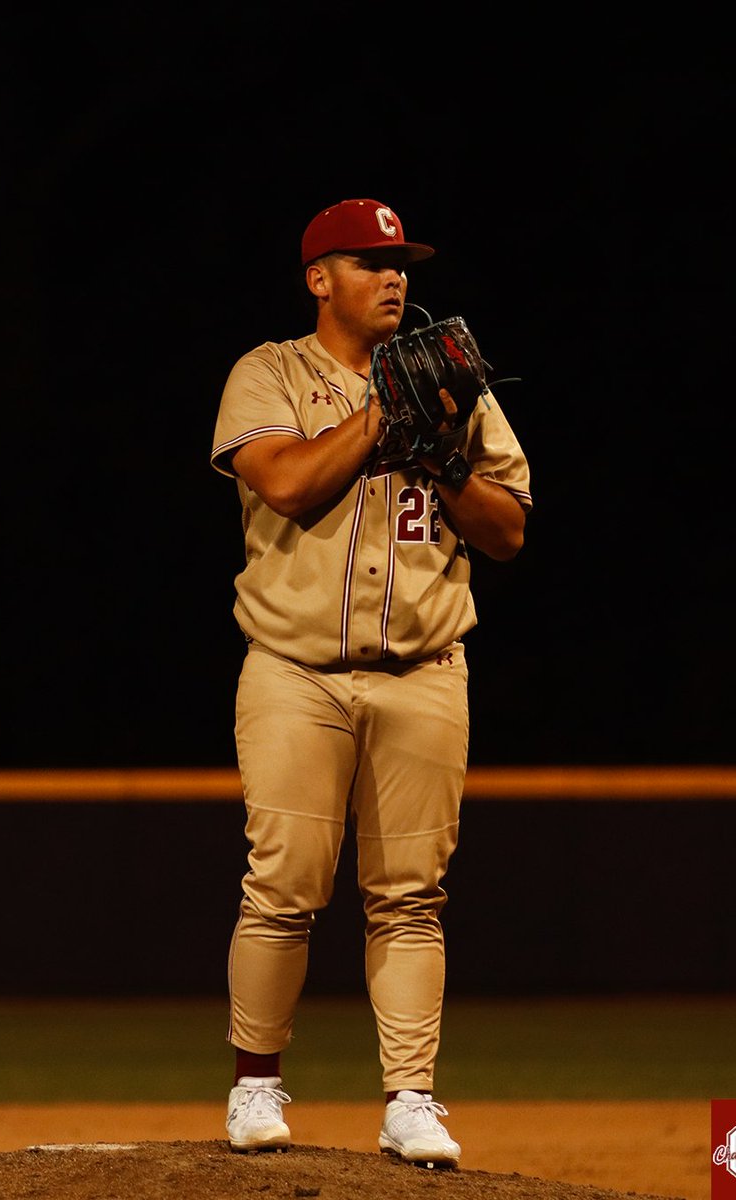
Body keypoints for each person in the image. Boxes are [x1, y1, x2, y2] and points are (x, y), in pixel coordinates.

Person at [210, 197, 532, 1169]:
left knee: (411, 898)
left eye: (402, 263)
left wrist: (443, 461)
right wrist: (389, 414)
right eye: (368, 261)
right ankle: (255, 1085)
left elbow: (508, 531)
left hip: (425, 673)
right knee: (284, 888)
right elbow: (287, 484)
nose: (395, 276)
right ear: (319, 279)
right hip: (295, 673)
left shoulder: (456, 386)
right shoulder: (269, 372)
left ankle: (410, 1101)